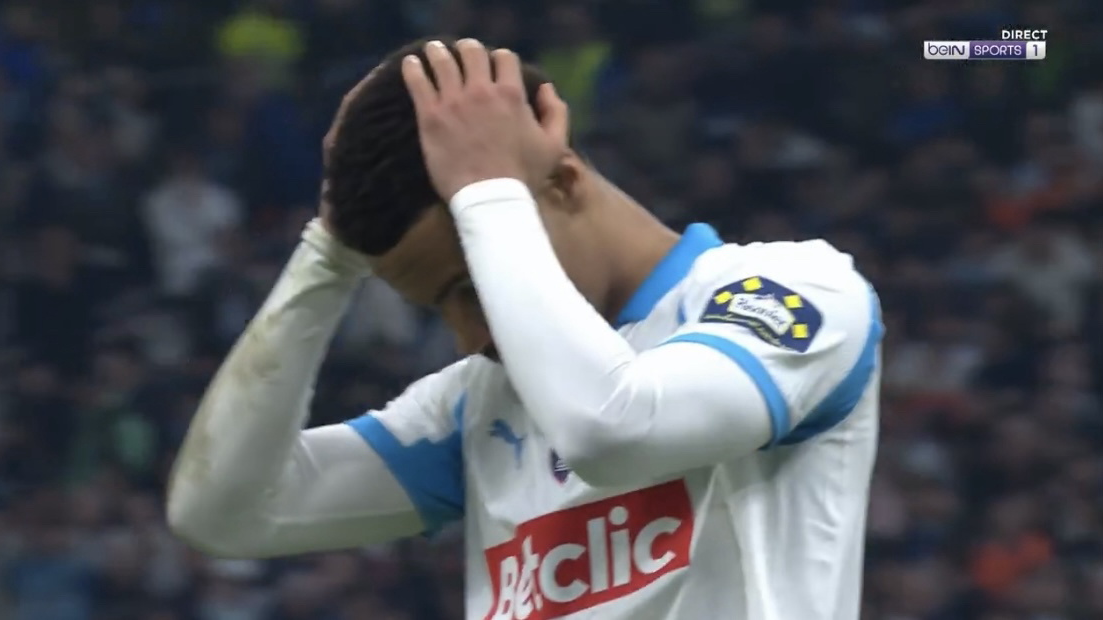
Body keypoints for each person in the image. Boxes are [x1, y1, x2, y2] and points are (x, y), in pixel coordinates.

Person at [166, 37, 883, 620]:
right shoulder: (473, 406)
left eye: (470, 287)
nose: (465, 339)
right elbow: (223, 513)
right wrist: (326, 258)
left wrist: (485, 192)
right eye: (436, 307)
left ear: (563, 182)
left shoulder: (794, 290)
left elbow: (616, 430)